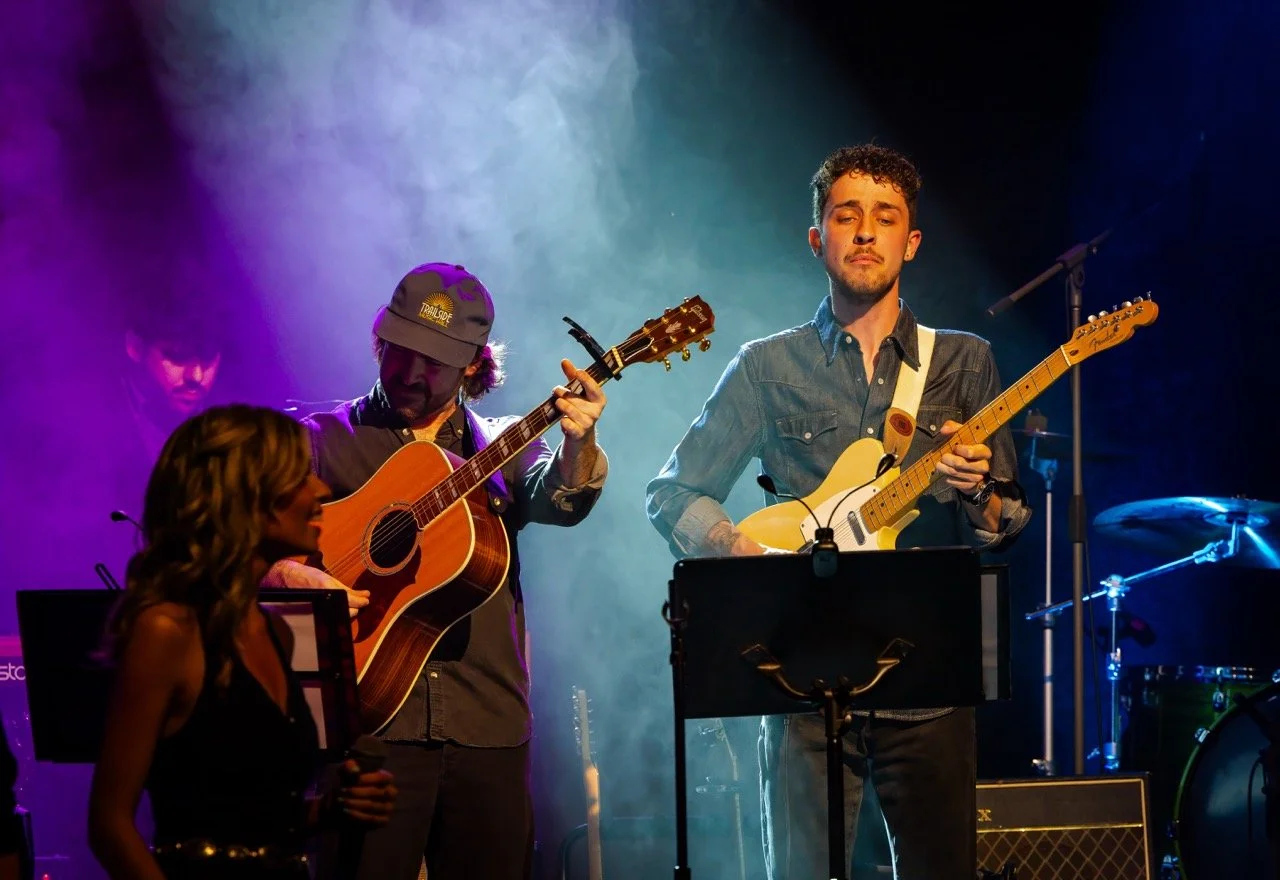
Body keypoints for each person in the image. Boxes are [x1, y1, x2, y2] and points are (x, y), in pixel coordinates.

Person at [645, 144, 1032, 879]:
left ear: (910, 243)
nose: (865, 232)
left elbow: (1007, 524)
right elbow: (669, 492)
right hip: (798, 682)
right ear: (817, 238)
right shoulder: (767, 365)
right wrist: (737, 553)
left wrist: (979, 489)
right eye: (845, 215)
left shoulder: (963, 362)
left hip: (928, 682)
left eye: (885, 218)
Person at [263, 262, 609, 879]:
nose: (412, 373)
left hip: (488, 722)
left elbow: (561, 499)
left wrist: (579, 446)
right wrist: (289, 574)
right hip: (368, 732)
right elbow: (236, 550)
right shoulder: (317, 442)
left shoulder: (506, 447)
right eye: (401, 351)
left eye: (436, 361)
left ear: (474, 365)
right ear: (380, 339)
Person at [87, 404, 397, 880]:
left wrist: (327, 811)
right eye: (298, 477)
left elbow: (254, 816)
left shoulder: (271, 628)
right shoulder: (167, 631)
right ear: (245, 496)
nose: (321, 490)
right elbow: (109, 825)